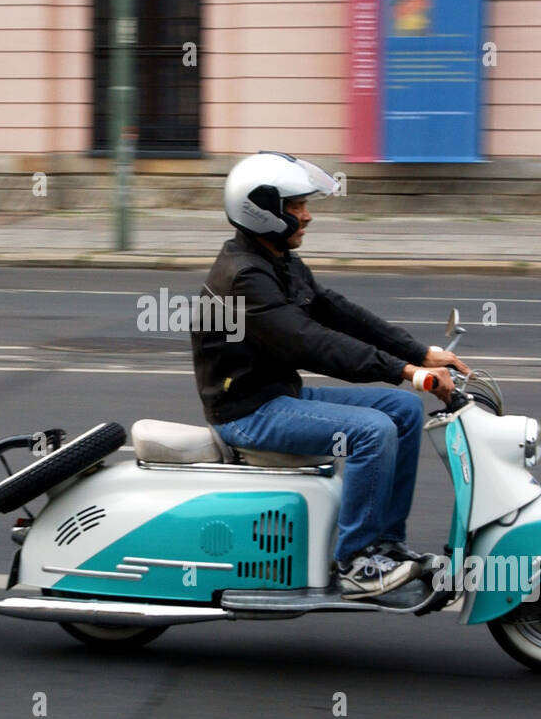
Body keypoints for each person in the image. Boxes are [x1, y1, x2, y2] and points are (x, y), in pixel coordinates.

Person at [190, 152, 470, 600]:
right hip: (247, 409)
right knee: (373, 431)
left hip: (280, 393)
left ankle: (386, 545)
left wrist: (421, 353)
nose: (307, 215)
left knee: (402, 411)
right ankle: (356, 562)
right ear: (263, 211)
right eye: (296, 207)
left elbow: (338, 313)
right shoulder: (245, 278)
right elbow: (311, 343)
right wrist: (404, 370)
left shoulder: (276, 260)